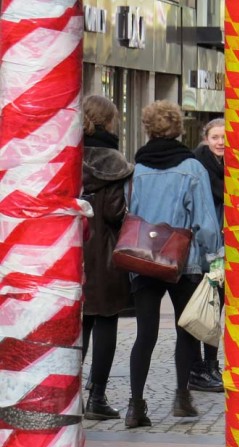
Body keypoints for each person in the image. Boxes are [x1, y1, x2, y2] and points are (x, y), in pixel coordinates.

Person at [125, 100, 222, 429]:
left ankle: (135, 404)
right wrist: (214, 256)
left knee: (145, 335)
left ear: (148, 128)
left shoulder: (137, 168)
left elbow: (131, 211)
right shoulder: (192, 168)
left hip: (142, 257)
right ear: (179, 128)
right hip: (185, 260)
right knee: (187, 331)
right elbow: (206, 221)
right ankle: (182, 395)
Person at [81, 95, 133, 420]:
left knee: (77, 324)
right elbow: (115, 213)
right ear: (108, 121)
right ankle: (96, 397)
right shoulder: (113, 161)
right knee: (105, 322)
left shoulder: (67, 153)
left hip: (71, 252)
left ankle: (68, 393)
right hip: (104, 256)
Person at [188, 118, 226, 393]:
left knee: (217, 306)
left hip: (225, 246)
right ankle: (198, 367)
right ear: (206, 138)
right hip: (204, 248)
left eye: (225, 137)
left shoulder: (232, 166)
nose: (221, 142)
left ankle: (211, 364)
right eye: (215, 137)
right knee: (206, 306)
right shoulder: (199, 166)